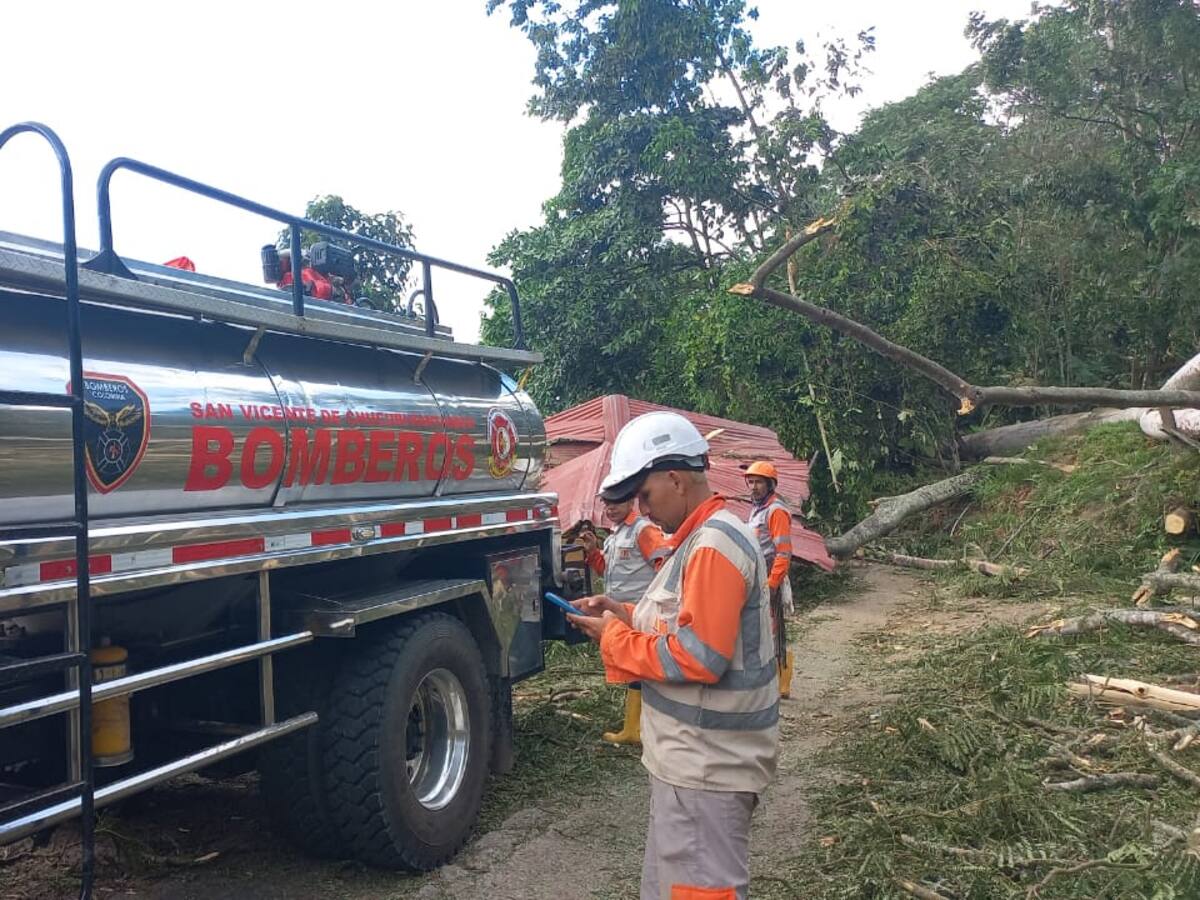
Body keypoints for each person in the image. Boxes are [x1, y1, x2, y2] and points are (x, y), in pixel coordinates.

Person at [568, 411, 778, 900]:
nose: (641, 508)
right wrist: (618, 610)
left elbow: (700, 656)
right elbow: (679, 622)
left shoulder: (714, 546)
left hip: (709, 766)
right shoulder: (696, 541)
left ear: (675, 479)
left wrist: (612, 639)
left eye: (645, 496)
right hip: (692, 765)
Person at [579, 497, 669, 744]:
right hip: (620, 614)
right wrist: (594, 552)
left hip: (641, 613)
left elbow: (666, 565)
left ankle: (642, 728)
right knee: (633, 669)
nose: (610, 508)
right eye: (607, 503)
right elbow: (606, 571)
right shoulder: (616, 535)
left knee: (643, 668)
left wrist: (658, 604)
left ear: (631, 502)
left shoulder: (644, 530)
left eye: (617, 502)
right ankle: (633, 728)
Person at [744, 461, 795, 697]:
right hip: (757, 576)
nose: (754, 487)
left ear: (770, 485)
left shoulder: (776, 511)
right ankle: (768, 682)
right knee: (762, 630)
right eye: (751, 482)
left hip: (770, 575)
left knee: (774, 631)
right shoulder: (757, 509)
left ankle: (781, 684)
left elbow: (783, 552)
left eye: (759, 482)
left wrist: (772, 583)